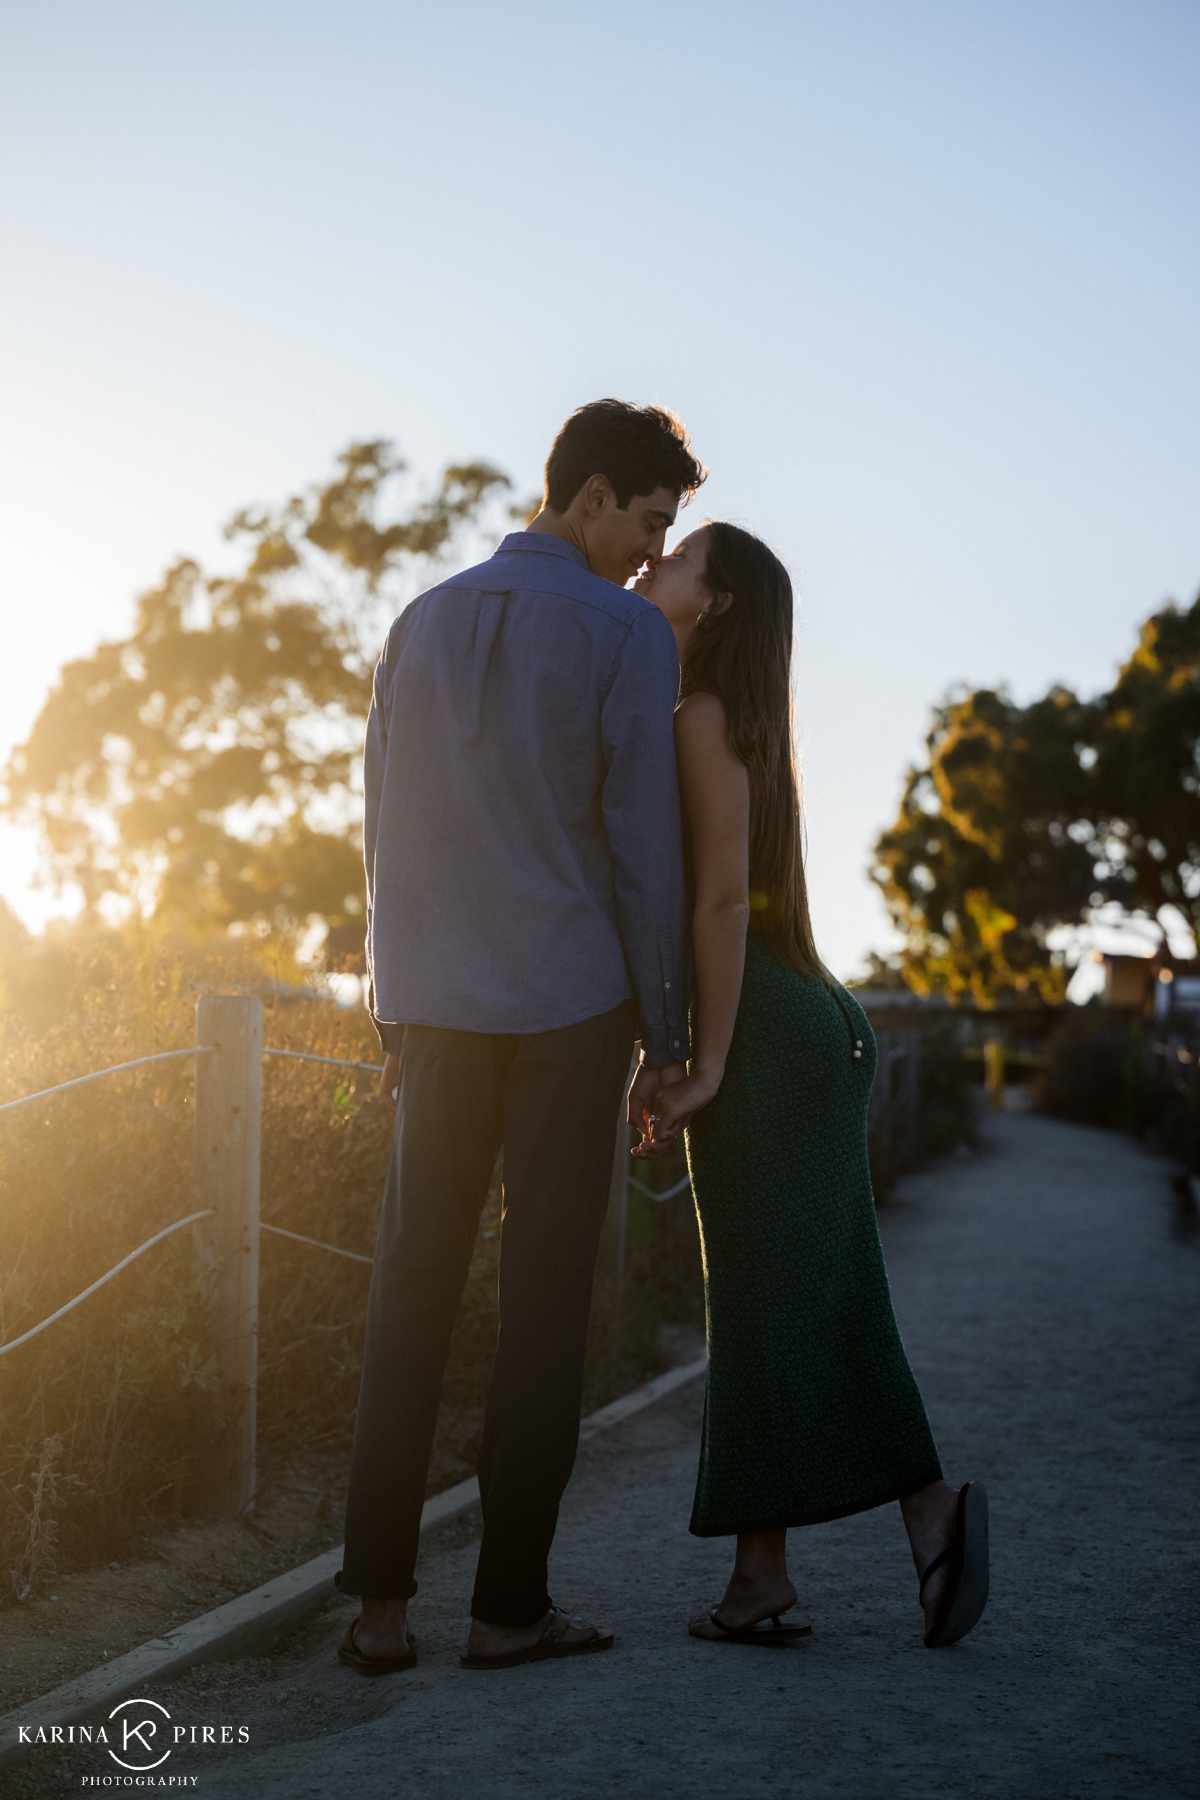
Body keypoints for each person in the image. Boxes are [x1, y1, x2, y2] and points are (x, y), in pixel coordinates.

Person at [336, 400, 706, 1675]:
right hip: (568, 1006)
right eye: (650, 523)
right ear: (593, 495)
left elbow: (379, 828)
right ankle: (507, 1611)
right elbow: (646, 847)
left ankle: (379, 1612)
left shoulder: (418, 619)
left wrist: (390, 1003)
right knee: (546, 1304)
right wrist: (668, 1029)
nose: (654, 557)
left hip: (433, 1005)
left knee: (409, 1289)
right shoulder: (626, 633)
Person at [630, 522, 989, 1650]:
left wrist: (708, 1062)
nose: (654, 567)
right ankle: (791, 1563)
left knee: (761, 1305)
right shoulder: (737, 722)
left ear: (720, 601)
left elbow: (723, 905)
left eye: (676, 558)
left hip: (770, 1040)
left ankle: (835, 1544)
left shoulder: (699, 721)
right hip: (804, 1022)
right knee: (807, 1301)